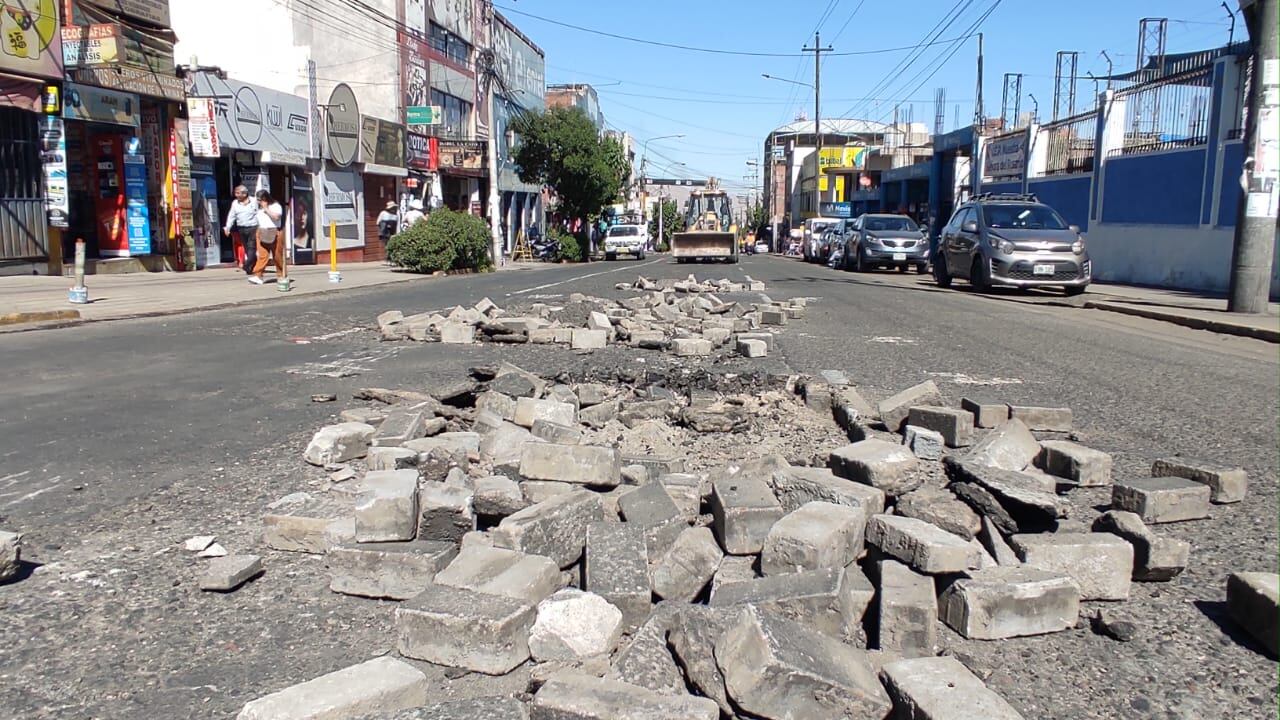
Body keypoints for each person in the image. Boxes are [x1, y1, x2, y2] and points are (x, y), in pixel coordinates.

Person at [249, 189, 284, 285]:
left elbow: (276, 217)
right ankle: (258, 275)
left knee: (277, 256)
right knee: (262, 255)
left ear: (266, 198)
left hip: (274, 231)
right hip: (262, 231)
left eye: (261, 200)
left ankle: (281, 275)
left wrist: (266, 209)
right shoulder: (258, 208)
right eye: (258, 200)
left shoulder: (275, 205)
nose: (260, 202)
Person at [222, 185, 258, 274]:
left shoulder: (254, 201)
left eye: (238, 193)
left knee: (252, 247)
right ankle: (252, 266)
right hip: (241, 228)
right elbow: (231, 216)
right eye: (236, 193)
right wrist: (227, 227)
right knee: (247, 248)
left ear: (245, 194)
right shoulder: (235, 203)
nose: (236, 195)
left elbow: (259, 213)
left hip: (253, 227)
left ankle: (247, 265)